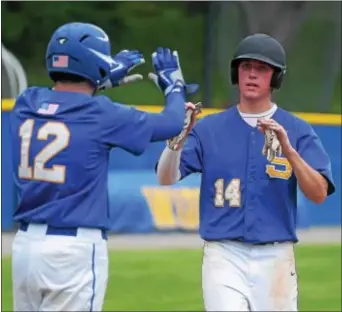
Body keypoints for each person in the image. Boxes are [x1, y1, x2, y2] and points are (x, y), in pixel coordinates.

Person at [10, 22, 198, 311]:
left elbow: (64, 101)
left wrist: (98, 80)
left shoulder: (26, 102)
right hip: (72, 250)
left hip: (25, 248)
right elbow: (172, 123)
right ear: (94, 64)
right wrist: (174, 87)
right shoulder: (101, 113)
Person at [156, 33, 335, 311]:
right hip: (223, 254)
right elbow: (165, 178)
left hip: (276, 256)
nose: (252, 74)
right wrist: (177, 139)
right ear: (235, 72)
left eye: (262, 68)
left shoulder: (296, 129)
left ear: (275, 78)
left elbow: (319, 193)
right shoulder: (209, 128)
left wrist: (289, 151)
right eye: (245, 66)